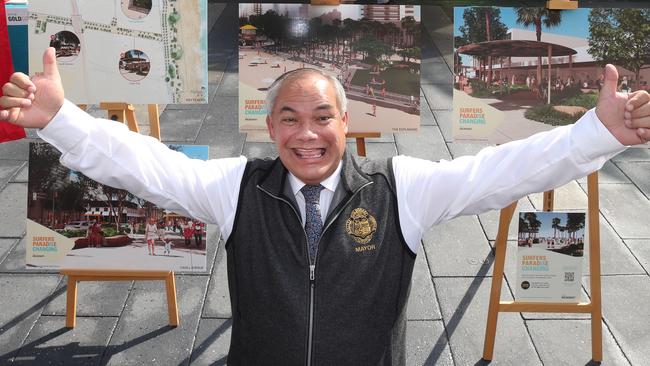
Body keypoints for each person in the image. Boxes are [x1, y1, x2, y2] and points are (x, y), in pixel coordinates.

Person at [2, 48, 650, 366]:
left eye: (321, 118)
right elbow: (145, 167)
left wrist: (597, 135)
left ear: (347, 120)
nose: (306, 135)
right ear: (268, 125)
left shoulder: (402, 190)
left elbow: (503, 172)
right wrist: (59, 121)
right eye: (289, 119)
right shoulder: (238, 188)